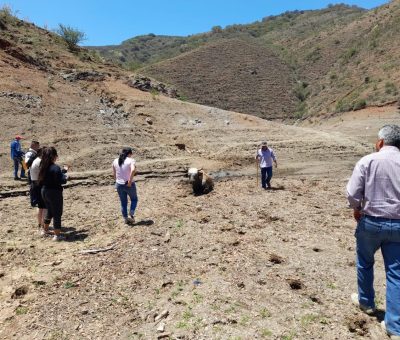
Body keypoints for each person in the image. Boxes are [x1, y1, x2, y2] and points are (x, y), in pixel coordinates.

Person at [347, 124, 400, 339]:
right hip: (398, 225)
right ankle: (394, 327)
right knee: (396, 274)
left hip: (370, 222)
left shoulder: (368, 160)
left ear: (380, 143)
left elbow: (352, 193)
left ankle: (367, 303)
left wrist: (357, 209)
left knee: (365, 262)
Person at [38, 147, 68, 241]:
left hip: (44, 191)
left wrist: (62, 172)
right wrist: (66, 176)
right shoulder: (55, 167)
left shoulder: (43, 166)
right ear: (54, 156)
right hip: (54, 192)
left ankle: (45, 230)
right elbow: (62, 180)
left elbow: (53, 175)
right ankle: (57, 235)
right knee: (57, 213)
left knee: (50, 211)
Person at [112, 147, 138, 225]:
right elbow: (133, 170)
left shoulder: (115, 160)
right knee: (134, 199)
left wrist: (116, 183)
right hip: (128, 184)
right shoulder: (131, 160)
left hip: (119, 184)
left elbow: (114, 174)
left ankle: (126, 218)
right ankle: (132, 211)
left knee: (123, 202)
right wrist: (130, 181)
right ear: (129, 154)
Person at [30, 147, 46, 230]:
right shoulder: (40, 161)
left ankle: (40, 224)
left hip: (35, 184)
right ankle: (44, 225)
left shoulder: (36, 160)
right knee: (44, 207)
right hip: (39, 184)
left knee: (40, 207)